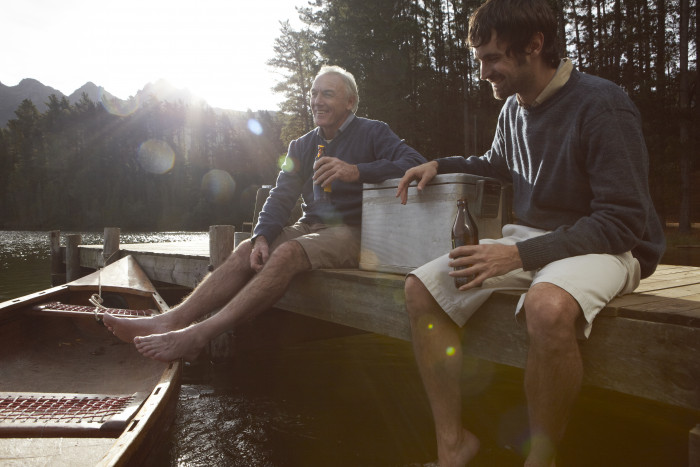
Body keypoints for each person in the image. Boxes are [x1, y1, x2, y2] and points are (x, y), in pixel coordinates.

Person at [395, 1, 665, 466]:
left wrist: (518, 255)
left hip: (611, 246)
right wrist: (440, 164)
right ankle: (452, 446)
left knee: (545, 307)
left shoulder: (603, 105)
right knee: (421, 289)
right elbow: (495, 164)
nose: (484, 73)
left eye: (493, 59)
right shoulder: (513, 110)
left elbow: (623, 221)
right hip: (537, 241)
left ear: (534, 46)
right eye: (480, 60)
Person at [104, 65, 426, 362]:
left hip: (354, 230)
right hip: (310, 225)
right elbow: (281, 194)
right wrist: (261, 236)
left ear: (350, 102)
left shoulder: (373, 132)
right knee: (246, 249)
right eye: (313, 93)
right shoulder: (301, 145)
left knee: (286, 254)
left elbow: (414, 162)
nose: (317, 100)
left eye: (327, 93)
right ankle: (171, 320)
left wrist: (357, 171)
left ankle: (198, 335)